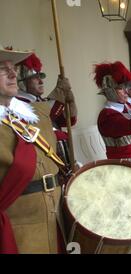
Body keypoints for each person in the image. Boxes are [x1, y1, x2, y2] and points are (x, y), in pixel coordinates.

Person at [0, 46, 65, 254]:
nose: (13, 74)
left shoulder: (37, 115)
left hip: (55, 218)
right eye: (3, 69)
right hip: (19, 229)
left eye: (13, 69)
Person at [15, 53, 77, 168]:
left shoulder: (40, 101)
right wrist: (59, 92)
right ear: (22, 83)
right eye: (35, 78)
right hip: (45, 164)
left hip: (63, 162)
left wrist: (69, 100)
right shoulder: (19, 105)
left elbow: (68, 121)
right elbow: (44, 116)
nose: (41, 81)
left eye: (40, 76)